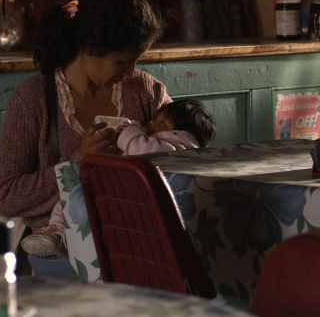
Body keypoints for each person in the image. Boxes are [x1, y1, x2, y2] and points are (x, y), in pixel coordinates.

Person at [0, 0, 169, 278]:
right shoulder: (33, 100)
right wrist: (79, 161)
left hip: (138, 238)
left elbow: (185, 152)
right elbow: (4, 196)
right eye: (123, 61)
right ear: (89, 47)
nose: (131, 72)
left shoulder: (146, 92)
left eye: (138, 60)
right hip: (62, 250)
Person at [20, 99, 216, 259]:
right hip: (120, 190)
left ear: (180, 134)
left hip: (134, 202)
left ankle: (63, 235)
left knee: (82, 201)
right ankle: (56, 232)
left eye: (162, 122)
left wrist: (130, 134)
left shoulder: (175, 148)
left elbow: (148, 153)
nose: (151, 123)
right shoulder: (159, 140)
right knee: (72, 194)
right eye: (156, 118)